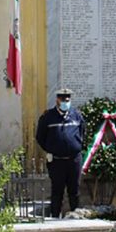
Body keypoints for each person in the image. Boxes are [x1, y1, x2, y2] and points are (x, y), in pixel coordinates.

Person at [35, 88, 86, 218]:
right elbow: (40, 137)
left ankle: (76, 217)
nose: (65, 102)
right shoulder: (48, 117)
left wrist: (75, 146)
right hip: (56, 160)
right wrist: (51, 149)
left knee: (74, 190)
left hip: (74, 160)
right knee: (57, 191)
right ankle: (55, 217)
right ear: (57, 100)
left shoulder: (76, 115)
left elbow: (82, 132)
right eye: (63, 99)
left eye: (68, 100)